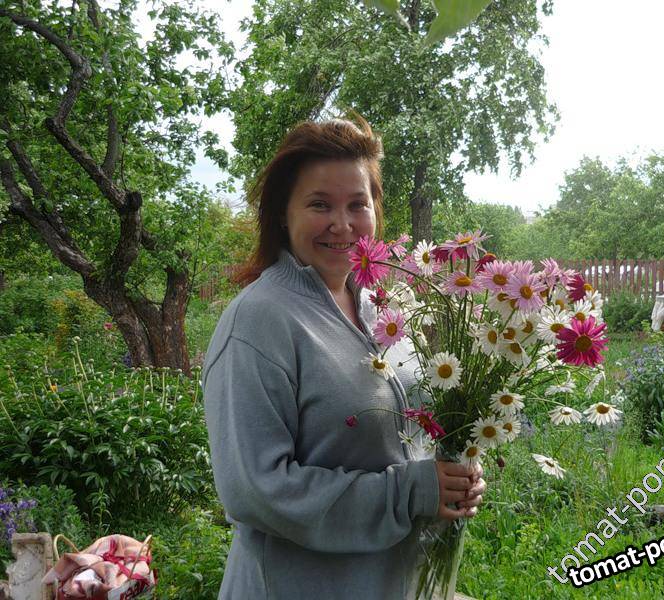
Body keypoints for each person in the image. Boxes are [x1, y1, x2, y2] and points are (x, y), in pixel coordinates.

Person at [202, 116, 486, 599]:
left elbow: (403, 440)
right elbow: (255, 490)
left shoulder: (381, 308)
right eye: (320, 204)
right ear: (282, 214)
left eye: (358, 204)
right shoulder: (258, 321)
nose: (342, 223)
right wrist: (410, 493)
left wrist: (453, 474)